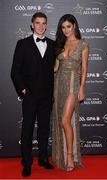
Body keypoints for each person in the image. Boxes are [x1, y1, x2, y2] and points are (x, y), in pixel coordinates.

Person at [11, 12, 54, 177]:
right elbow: (15, 72)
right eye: (38, 23)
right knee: (27, 129)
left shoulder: (52, 44)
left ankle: (43, 158)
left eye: (44, 23)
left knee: (44, 129)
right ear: (32, 24)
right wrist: (23, 91)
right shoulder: (22, 44)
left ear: (47, 24)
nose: (41, 26)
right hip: (30, 96)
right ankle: (27, 163)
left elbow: (55, 70)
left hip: (46, 96)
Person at [52, 14, 89, 171]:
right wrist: (57, 58)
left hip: (73, 85)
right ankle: (62, 154)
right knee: (61, 119)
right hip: (59, 84)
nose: (66, 30)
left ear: (74, 26)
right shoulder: (60, 44)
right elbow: (55, 69)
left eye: (68, 26)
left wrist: (82, 88)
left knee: (65, 120)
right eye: (63, 27)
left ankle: (70, 157)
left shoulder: (83, 44)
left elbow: (85, 69)